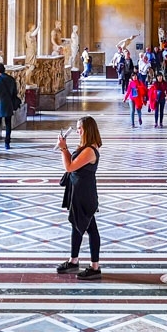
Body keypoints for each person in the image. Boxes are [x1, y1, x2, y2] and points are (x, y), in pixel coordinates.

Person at [56, 117, 102, 280]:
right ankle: (74, 260)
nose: (77, 131)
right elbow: (73, 163)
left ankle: (94, 266)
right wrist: (65, 149)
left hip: (84, 195)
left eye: (80, 128)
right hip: (79, 192)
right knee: (80, 226)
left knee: (87, 228)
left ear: (88, 129)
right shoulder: (85, 147)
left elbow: (69, 167)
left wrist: (63, 149)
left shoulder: (90, 150)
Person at [0, 63, 19, 149]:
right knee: (8, 124)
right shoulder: (11, 79)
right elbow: (15, 93)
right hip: (9, 104)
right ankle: (7, 143)